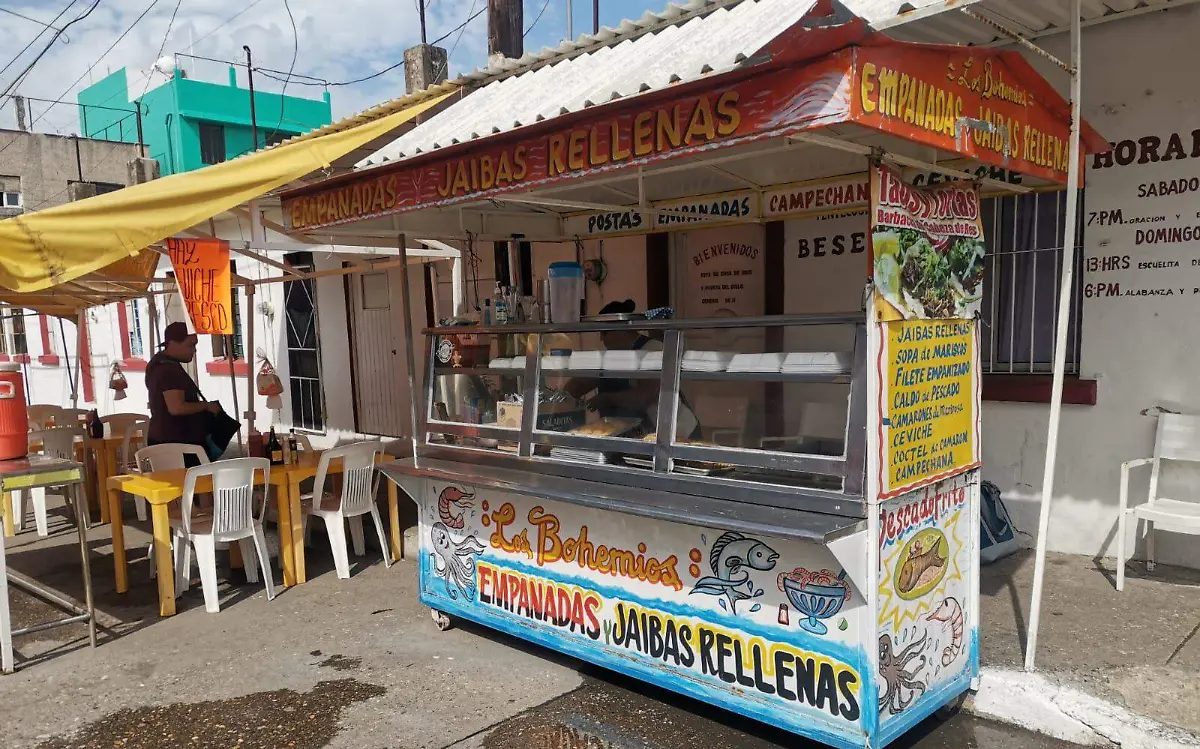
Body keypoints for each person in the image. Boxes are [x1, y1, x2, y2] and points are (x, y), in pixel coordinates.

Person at [564, 299, 700, 438]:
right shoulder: (612, 357)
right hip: (638, 435)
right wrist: (563, 399)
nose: (601, 339)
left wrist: (606, 399)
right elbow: (582, 382)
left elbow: (645, 396)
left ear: (622, 330)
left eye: (604, 332)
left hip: (678, 432)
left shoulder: (652, 350)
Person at [146, 322, 220, 465]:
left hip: (168, 440)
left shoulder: (158, 363)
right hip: (175, 443)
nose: (194, 350)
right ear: (173, 343)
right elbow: (176, 407)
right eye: (190, 345)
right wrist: (205, 406)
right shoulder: (168, 370)